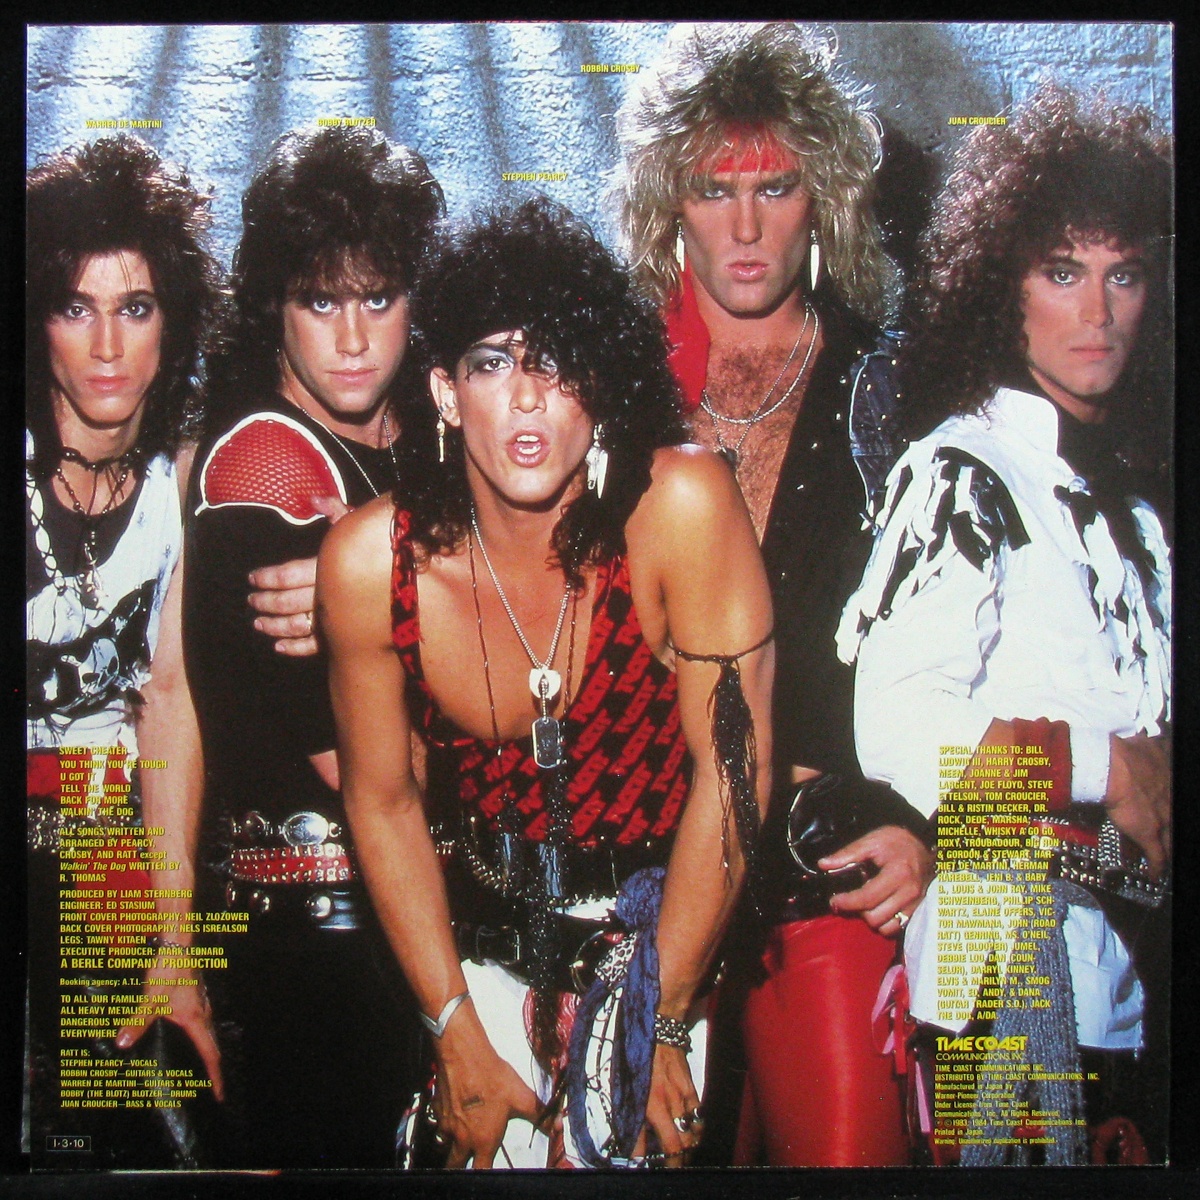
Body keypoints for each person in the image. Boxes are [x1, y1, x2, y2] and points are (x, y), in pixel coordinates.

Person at [317, 197, 774, 1169]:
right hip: (474, 967)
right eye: (491, 364)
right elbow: (381, 801)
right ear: (444, 393)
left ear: (600, 387)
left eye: (557, 362)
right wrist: (450, 1026)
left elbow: (736, 775)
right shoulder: (371, 563)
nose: (526, 397)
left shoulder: (680, 508)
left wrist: (662, 1013)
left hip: (667, 944)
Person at [836, 86, 1172, 1164]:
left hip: (1122, 980)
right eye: (1062, 273)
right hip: (992, 963)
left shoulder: (1138, 513)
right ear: (1003, 287)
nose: (1098, 311)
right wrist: (1101, 765)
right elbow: (895, 730)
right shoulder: (961, 470)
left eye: (1124, 274)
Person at [614, 21, 928, 1166]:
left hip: (822, 871)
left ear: (824, 198)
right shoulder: (607, 388)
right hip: (635, 878)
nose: (745, 228)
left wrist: (938, 838)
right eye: (714, 188)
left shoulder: (896, 388)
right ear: (670, 202)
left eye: (775, 186)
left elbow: (990, 648)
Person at [181, 124, 443, 1168]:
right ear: (274, 308)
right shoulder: (269, 469)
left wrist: (398, 601)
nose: (353, 337)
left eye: (378, 297)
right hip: (311, 945)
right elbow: (381, 774)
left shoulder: (425, 447)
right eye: (319, 302)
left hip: (412, 923)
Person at [25, 133, 222, 1166]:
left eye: (135, 308)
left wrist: (175, 941)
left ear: (171, 321)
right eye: (76, 307)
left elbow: (168, 702)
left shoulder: (183, 486)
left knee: (134, 1127)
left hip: (107, 839)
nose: (107, 346)